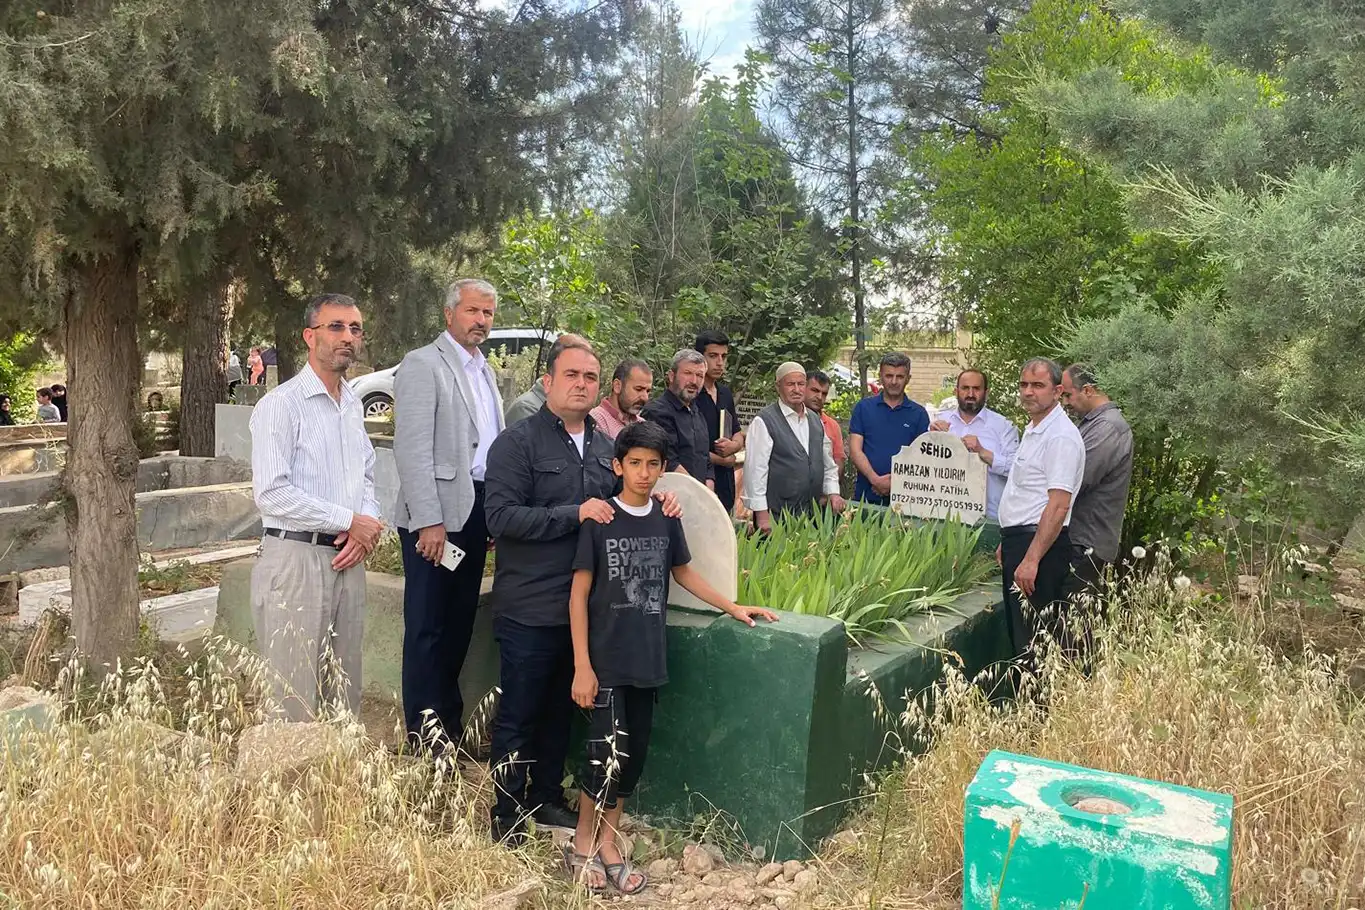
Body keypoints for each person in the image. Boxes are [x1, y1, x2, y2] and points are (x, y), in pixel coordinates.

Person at [565, 421, 778, 894]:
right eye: (635, 464)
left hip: (647, 661)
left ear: (663, 470)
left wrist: (732, 604)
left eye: (653, 465)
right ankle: (583, 841)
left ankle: (610, 841)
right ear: (618, 466)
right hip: (605, 662)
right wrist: (582, 664)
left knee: (633, 757)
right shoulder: (599, 520)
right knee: (604, 757)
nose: (643, 473)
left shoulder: (665, 517)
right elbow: (578, 595)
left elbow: (683, 573)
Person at [483, 337, 681, 842]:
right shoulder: (517, 442)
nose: (581, 385)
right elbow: (500, 517)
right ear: (547, 381)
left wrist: (665, 505)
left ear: (601, 387)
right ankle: (506, 817)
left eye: (590, 377)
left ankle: (546, 799)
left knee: (560, 715)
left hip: (585, 612)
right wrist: (572, 513)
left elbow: (625, 501)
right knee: (520, 712)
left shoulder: (602, 444)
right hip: (530, 602)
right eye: (571, 375)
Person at [249, 293, 383, 721]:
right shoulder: (281, 405)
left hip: (348, 558)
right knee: (294, 692)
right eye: (336, 327)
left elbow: (366, 474)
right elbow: (271, 493)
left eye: (355, 328)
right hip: (296, 559)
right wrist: (350, 520)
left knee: (345, 686)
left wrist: (367, 526)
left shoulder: (352, 404)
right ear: (310, 336)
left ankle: (338, 784)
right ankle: (287, 784)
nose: (348, 337)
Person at [392, 278, 506, 754]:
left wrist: (494, 511)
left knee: (459, 622)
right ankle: (424, 738)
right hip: (436, 516)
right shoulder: (423, 365)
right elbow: (412, 449)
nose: (481, 321)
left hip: (476, 510)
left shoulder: (485, 371)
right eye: (473, 311)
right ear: (449, 314)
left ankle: (450, 729)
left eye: (488, 314)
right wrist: (428, 521)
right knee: (427, 625)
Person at [995, 358, 1086, 664]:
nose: (1028, 392)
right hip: (1021, 541)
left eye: (1038, 385)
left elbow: (1059, 504)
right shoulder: (1036, 429)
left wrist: (1031, 558)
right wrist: (1008, 540)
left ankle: (1038, 710)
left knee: (1034, 641)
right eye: (1024, 385)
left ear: (1058, 391)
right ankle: (1028, 708)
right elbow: (1026, 492)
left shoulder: (1059, 436)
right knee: (1021, 636)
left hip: (1041, 548)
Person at [744, 362, 845, 530]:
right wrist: (762, 515)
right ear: (778, 386)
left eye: (801, 384)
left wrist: (833, 492)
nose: (796, 390)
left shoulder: (815, 420)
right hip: (777, 514)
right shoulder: (764, 421)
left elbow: (828, 464)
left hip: (812, 513)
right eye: (790, 384)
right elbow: (755, 471)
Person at [1061, 363, 1134, 586]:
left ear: (1088, 390)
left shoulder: (1107, 427)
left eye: (1068, 395)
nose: (1065, 402)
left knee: (1071, 615)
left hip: (1087, 542)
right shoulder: (1093, 424)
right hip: (1080, 539)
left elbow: (1076, 480)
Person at [930, 369, 1019, 522]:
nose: (970, 394)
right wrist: (932, 439)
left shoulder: (1004, 426)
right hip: (944, 515)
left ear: (986, 392)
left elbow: (1016, 470)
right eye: (965, 388)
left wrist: (983, 452)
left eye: (976, 388)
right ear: (956, 391)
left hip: (989, 518)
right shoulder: (939, 422)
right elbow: (924, 467)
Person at [849, 352, 930, 505]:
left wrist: (895, 482)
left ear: (908, 379)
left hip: (905, 500)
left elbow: (921, 458)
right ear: (880, 376)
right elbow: (855, 450)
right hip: (866, 497)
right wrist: (875, 480)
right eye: (889, 376)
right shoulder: (863, 408)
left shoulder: (919, 414)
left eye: (899, 376)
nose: (894, 381)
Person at [641, 349, 715, 489]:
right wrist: (698, 493)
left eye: (699, 375)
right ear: (671, 376)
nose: (694, 381)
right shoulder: (657, 412)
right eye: (687, 373)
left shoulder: (697, 413)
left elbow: (705, 457)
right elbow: (668, 461)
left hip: (698, 498)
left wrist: (709, 485)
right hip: (669, 498)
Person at [693, 331, 744, 513]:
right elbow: (685, 449)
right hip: (700, 482)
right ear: (700, 357)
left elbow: (737, 431)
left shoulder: (725, 393)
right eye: (713, 356)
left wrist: (734, 445)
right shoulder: (691, 395)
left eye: (724, 356)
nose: (720, 362)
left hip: (726, 483)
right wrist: (721, 460)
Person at [590, 358, 651, 440]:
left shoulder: (642, 424)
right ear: (617, 386)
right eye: (638, 389)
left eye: (648, 391)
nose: (645, 397)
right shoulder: (595, 421)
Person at [804, 370, 845, 470]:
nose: (819, 397)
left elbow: (838, 462)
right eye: (814, 390)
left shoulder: (832, 425)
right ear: (803, 388)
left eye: (824, 394)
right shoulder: (788, 419)